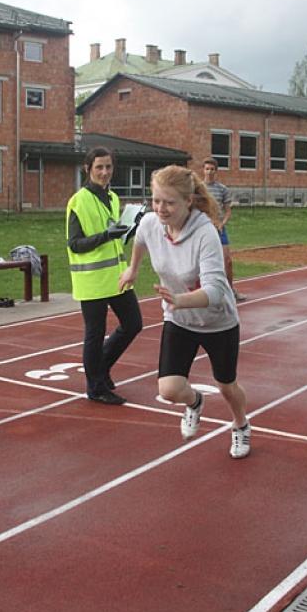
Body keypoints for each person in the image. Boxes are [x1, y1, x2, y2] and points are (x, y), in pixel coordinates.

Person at [119, 165, 251, 459]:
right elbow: (140, 239)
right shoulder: (151, 223)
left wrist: (180, 298)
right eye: (156, 200)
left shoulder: (206, 234)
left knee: (227, 385)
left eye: (169, 202)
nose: (160, 209)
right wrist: (133, 268)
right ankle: (195, 402)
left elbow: (217, 291)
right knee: (169, 389)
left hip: (217, 321)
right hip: (179, 319)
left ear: (188, 201)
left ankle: (241, 425)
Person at [66, 146, 143, 405]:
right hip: (91, 280)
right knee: (94, 334)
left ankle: (101, 369)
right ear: (88, 169)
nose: (105, 172)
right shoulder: (78, 201)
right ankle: (96, 387)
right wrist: (105, 236)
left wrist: (129, 230)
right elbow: (75, 244)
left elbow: (115, 240)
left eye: (108, 167)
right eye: (99, 167)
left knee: (133, 324)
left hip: (116, 276)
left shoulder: (112, 198)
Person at [202, 157, 247, 302]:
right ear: (203, 170)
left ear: (216, 171)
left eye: (212, 169)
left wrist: (222, 223)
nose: (209, 172)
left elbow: (227, 211)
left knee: (227, 261)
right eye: (207, 169)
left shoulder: (222, 189)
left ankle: (231, 290)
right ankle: (203, 291)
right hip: (203, 228)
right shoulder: (198, 188)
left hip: (219, 228)